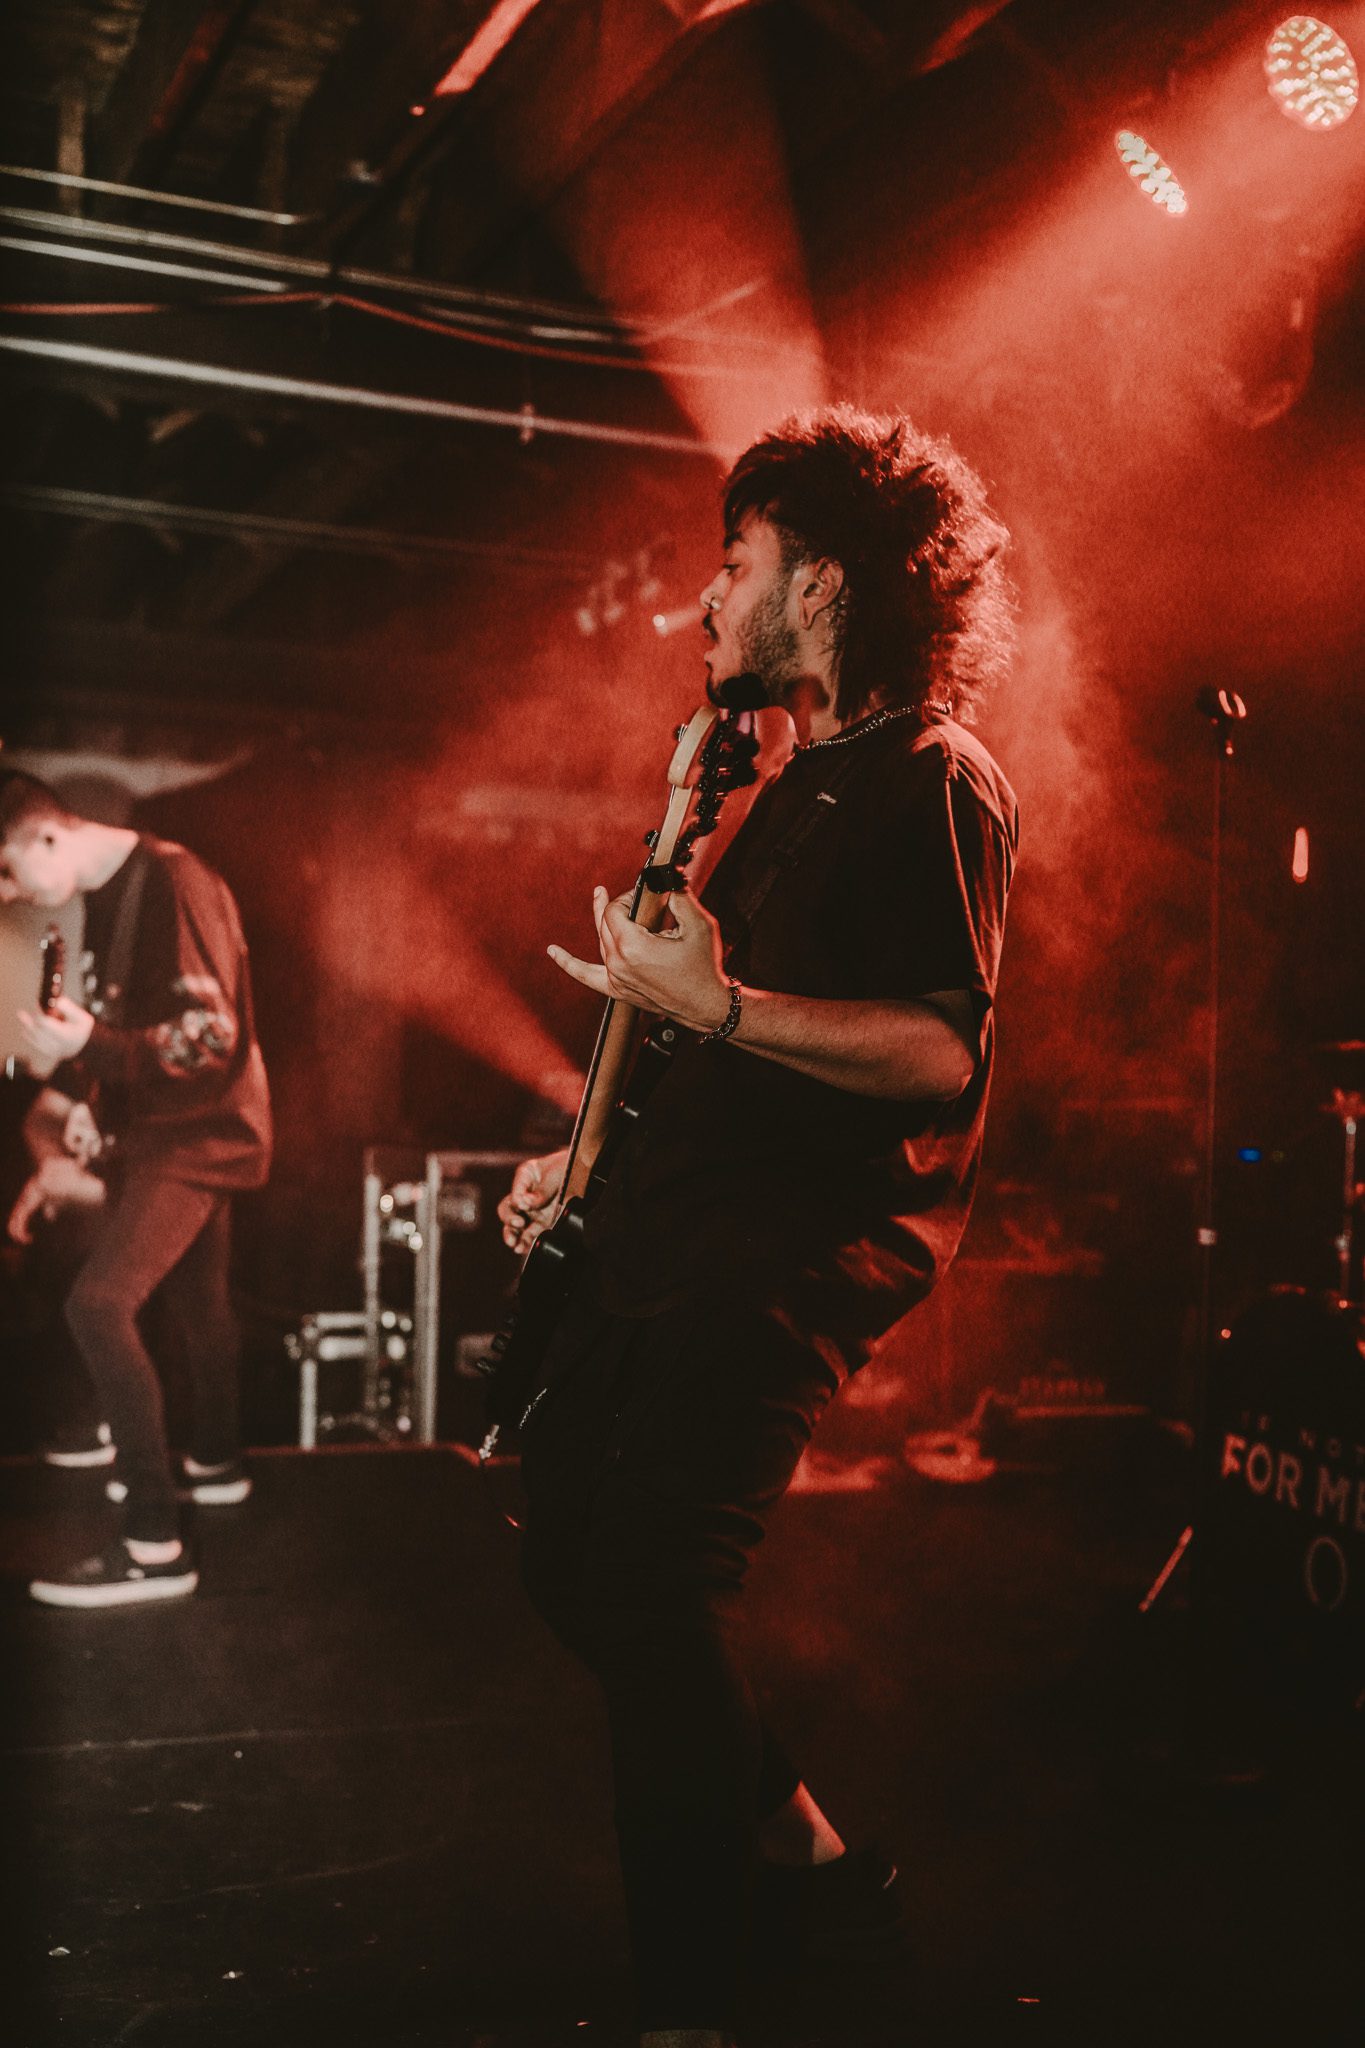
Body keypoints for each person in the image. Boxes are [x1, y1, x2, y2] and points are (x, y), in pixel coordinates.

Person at [495, 405, 1019, 2048]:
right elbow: (692, 1007)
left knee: (653, 1577)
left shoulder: (936, 775)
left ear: (831, 581)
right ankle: (806, 1861)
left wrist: (717, 1012)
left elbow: (941, 1044)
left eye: (738, 562)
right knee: (576, 1557)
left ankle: (697, 2006)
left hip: (797, 1248)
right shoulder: (791, 779)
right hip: (683, 1224)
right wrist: (576, 1170)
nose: (707, 596)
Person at [0, 770, 271, 1607]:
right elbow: (131, 1027)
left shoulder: (173, 881)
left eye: (8, 871)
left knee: (97, 1305)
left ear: (49, 836)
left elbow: (206, 1039)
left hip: (197, 1137)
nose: (9, 892)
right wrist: (94, 1101)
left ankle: (154, 1545)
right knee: (199, 1306)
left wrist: (96, 1051)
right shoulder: (113, 893)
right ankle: (215, 1467)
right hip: (163, 1131)